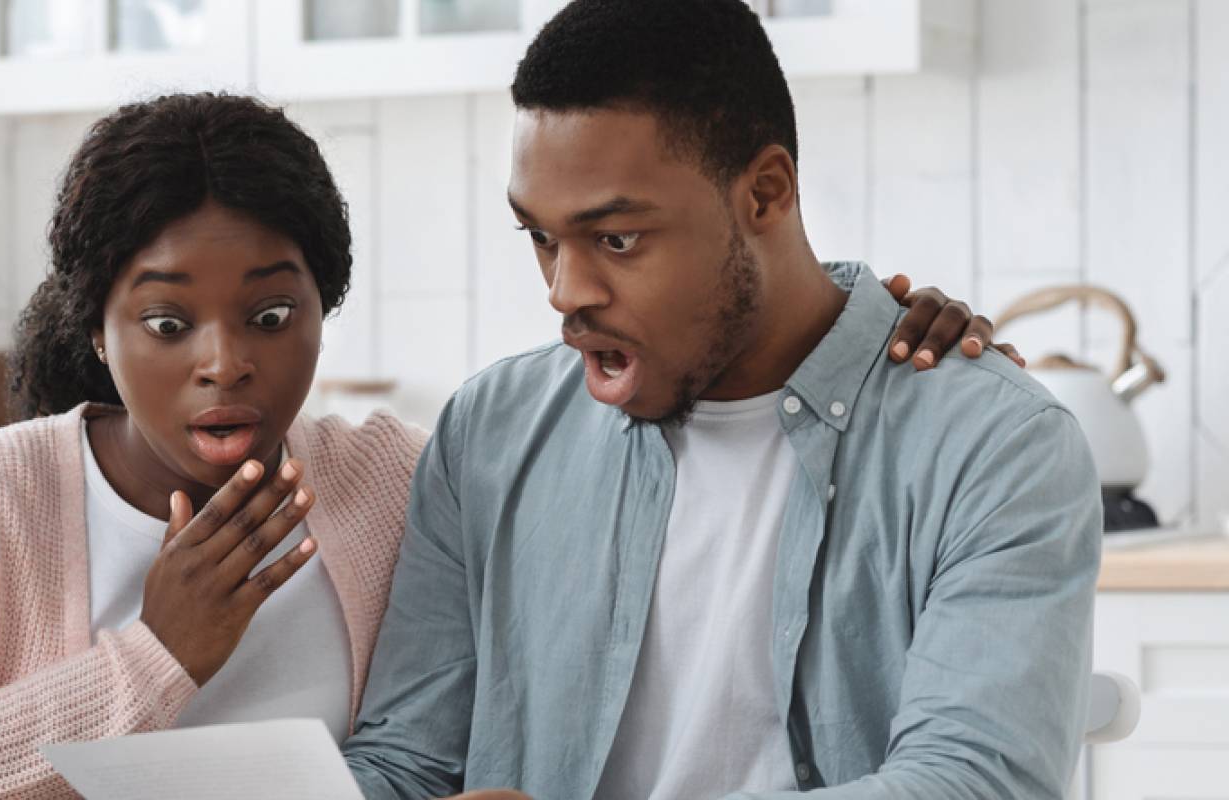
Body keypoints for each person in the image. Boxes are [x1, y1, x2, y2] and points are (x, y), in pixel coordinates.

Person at [0, 92, 1011, 799]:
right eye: (168, 321)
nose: (225, 360)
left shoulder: (391, 474)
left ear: (325, 307)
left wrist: (862, 323)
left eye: (272, 314)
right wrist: (152, 656)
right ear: (99, 323)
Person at [340, 2, 1102, 799]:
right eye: (541, 237)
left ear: (766, 193)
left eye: (617, 239)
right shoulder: (490, 433)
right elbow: (406, 767)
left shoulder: (993, 447)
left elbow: (973, 784)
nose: (566, 293)